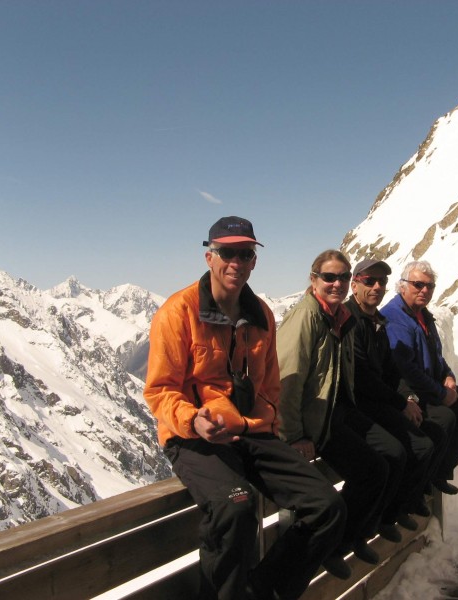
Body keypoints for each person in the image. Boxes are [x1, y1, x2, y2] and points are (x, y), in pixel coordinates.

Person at [144, 217, 346, 600]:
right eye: (227, 252)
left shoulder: (262, 315)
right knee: (236, 507)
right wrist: (192, 420)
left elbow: (269, 384)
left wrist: (265, 422)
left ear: (254, 261)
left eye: (245, 253)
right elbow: (160, 390)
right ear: (209, 257)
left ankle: (263, 590)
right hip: (193, 438)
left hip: (252, 432)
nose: (236, 261)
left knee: (327, 506)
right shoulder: (177, 312)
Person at [276, 250, 408, 579]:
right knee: (371, 470)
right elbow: (286, 381)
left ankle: (351, 537)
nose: (337, 283)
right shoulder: (307, 317)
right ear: (313, 280)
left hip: (337, 412)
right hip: (315, 423)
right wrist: (294, 436)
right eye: (329, 277)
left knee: (391, 455)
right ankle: (332, 546)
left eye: (343, 277)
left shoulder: (335, 317)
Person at [344, 258, 447, 521]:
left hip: (378, 400)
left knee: (427, 437)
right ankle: (372, 521)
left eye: (381, 281)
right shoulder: (349, 322)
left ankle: (393, 511)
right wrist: (402, 403)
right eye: (369, 281)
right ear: (354, 286)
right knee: (398, 452)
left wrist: (408, 398)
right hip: (357, 405)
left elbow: (392, 370)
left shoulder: (376, 320)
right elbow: (363, 377)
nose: (377, 286)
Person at [382, 260, 458, 495]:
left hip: (432, 383)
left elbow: (436, 355)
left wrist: (448, 375)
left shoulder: (423, 315)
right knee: (445, 419)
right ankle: (422, 482)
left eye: (429, 286)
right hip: (410, 391)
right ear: (402, 286)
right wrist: (440, 394)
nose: (424, 290)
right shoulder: (396, 318)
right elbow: (406, 369)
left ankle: (439, 471)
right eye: (418, 284)